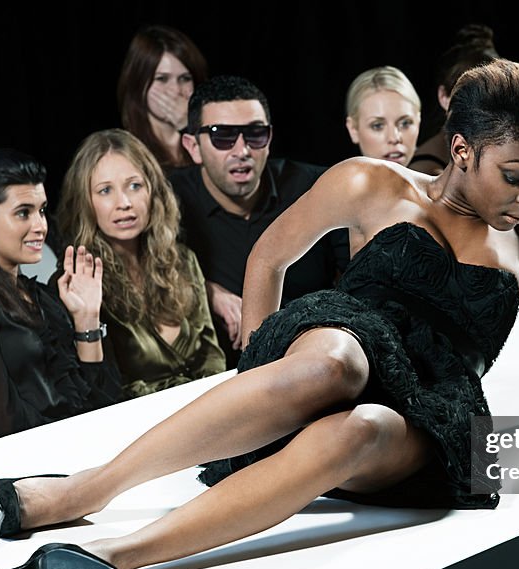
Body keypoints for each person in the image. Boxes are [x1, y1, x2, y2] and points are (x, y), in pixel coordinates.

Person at [0, 59, 519, 569]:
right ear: (462, 150)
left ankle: (117, 555)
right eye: (515, 173)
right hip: (338, 340)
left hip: (436, 403)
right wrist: (254, 378)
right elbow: (270, 253)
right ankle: (81, 491)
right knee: (338, 364)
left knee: (364, 427)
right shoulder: (372, 184)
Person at [0, 149, 121, 444]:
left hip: (81, 452)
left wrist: (87, 321)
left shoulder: (42, 296)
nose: (41, 226)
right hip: (27, 469)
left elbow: (103, 399)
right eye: (23, 213)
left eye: (42, 211)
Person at [169, 75, 349, 367]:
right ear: (192, 146)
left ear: (270, 138)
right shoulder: (167, 201)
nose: (241, 151)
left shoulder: (317, 188)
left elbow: (363, 281)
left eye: (255, 134)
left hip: (313, 361)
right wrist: (203, 290)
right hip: (208, 375)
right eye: (222, 136)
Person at [57, 129, 224, 398]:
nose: (124, 203)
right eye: (105, 190)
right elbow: (103, 391)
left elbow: (213, 360)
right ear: (85, 201)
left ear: (152, 192)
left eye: (135, 186)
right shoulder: (77, 280)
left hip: (209, 410)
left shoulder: (182, 260)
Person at [409, 24, 499, 176]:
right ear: (443, 97)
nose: (484, 110)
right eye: (469, 97)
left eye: (495, 97)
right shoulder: (426, 170)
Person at [117, 25, 208, 170]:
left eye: (185, 79)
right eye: (162, 79)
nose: (175, 90)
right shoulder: (125, 150)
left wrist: (189, 127)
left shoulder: (209, 140)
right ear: (139, 83)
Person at [344, 66, 421, 167]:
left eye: (405, 123)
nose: (394, 138)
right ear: (353, 129)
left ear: (418, 121)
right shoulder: (330, 182)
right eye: (377, 126)